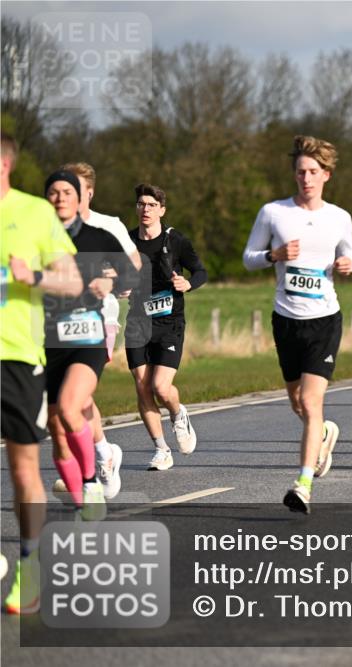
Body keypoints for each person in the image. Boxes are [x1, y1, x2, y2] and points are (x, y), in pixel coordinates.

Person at [243, 135, 352, 514]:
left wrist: (348, 264)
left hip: (324, 320)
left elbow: (350, 251)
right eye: (299, 172)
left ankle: (303, 484)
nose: (305, 178)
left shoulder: (339, 217)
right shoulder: (273, 213)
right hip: (286, 320)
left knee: (311, 401)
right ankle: (323, 432)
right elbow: (248, 258)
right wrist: (272, 254)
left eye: (312, 172)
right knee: (297, 402)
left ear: (326, 175)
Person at [1, 133, 82, 615]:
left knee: (22, 468)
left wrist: (32, 277)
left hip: (16, 356)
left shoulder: (34, 213)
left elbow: (71, 281)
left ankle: (28, 570)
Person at [43, 170, 139, 523]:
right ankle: (86, 505)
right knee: (57, 429)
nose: (61, 197)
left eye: (67, 191)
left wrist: (108, 281)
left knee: (71, 407)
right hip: (48, 341)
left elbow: (131, 275)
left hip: (88, 338)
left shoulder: (98, 236)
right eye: (53, 192)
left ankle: (91, 482)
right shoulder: (36, 240)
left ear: (80, 196)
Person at [124, 184, 206, 471]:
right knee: (142, 386)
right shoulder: (127, 241)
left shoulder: (176, 241)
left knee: (160, 386)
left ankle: (178, 414)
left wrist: (188, 284)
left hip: (169, 323)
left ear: (161, 210)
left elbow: (200, 271)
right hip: (137, 322)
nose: (145, 209)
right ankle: (161, 449)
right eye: (141, 204)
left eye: (151, 204)